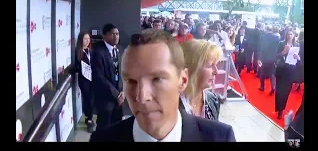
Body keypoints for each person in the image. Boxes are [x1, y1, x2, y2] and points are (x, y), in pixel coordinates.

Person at [90, 30, 236, 142]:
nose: (141, 97)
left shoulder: (220, 138)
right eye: (131, 81)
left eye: (157, 79)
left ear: (183, 80)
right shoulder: (101, 140)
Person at [91, 23, 124, 130]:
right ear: (104, 36)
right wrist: (116, 95)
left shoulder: (119, 50)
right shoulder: (98, 52)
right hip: (105, 99)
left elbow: (120, 72)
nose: (116, 36)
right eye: (112, 34)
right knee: (104, 129)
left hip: (119, 98)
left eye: (117, 34)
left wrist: (122, 92)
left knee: (117, 128)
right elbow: (99, 77)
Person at [179, 40, 223, 121]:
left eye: (216, 65)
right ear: (192, 68)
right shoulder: (171, 104)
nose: (216, 72)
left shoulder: (214, 99)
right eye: (209, 66)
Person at [72, 32, 95, 133]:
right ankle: (89, 119)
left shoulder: (91, 50)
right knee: (87, 99)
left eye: (88, 39)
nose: (87, 40)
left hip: (93, 79)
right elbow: (76, 66)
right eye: (85, 39)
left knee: (92, 98)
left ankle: (88, 117)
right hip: (83, 79)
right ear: (81, 40)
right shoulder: (78, 51)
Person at [275, 30, 299, 119]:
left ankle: (282, 107)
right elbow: (276, 56)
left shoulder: (296, 45)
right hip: (281, 69)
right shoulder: (281, 43)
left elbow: (298, 58)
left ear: (294, 35)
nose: (289, 36)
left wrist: (298, 58)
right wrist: (283, 53)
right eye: (288, 34)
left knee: (286, 91)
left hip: (291, 70)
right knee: (280, 90)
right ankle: (279, 110)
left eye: (291, 34)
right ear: (286, 35)